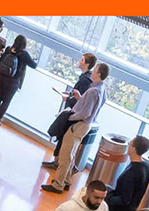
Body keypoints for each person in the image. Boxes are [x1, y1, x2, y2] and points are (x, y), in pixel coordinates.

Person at [43, 62, 108, 193]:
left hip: (79, 124)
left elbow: (85, 113)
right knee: (71, 154)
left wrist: (69, 117)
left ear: (99, 74)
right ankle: (66, 180)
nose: (92, 72)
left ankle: (58, 184)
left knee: (65, 155)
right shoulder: (101, 89)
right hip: (85, 125)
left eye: (95, 70)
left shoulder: (93, 91)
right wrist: (80, 99)